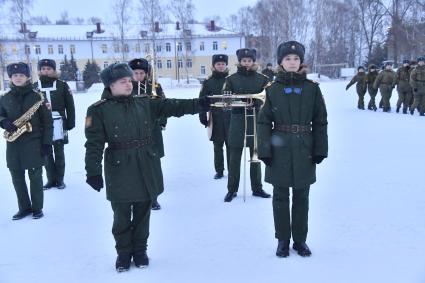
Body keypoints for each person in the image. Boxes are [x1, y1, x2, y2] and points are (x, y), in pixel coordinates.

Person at [85, 62, 209, 272]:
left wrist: (199, 104)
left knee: (143, 211)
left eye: (129, 80)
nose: (129, 84)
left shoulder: (144, 103)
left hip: (145, 163)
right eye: (123, 81)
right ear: (110, 86)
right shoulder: (98, 110)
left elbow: (173, 106)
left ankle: (140, 251)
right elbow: (94, 143)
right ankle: (123, 253)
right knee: (121, 214)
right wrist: (93, 171)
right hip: (119, 165)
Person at [257, 41, 328, 258]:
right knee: (280, 196)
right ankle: (282, 240)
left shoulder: (312, 89)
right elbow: (263, 122)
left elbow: (321, 121)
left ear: (301, 62)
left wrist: (320, 149)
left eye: (296, 59)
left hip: (304, 148)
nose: (292, 62)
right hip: (279, 149)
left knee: (301, 196)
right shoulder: (271, 90)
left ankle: (300, 240)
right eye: (287, 58)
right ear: (280, 62)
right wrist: (265, 151)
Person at [0, 62, 53, 220]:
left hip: (34, 143)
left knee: (35, 176)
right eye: (15, 75)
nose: (18, 78)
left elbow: (47, 123)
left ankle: (37, 208)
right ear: (10, 77)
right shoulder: (5, 97)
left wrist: (46, 143)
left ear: (28, 77)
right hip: (14, 143)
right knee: (16, 176)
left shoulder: (38, 97)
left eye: (21, 75)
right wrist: (4, 122)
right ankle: (24, 207)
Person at [222, 48, 271, 202]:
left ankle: (257, 188)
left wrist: (256, 102)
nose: (247, 63)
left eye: (249, 60)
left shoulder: (262, 78)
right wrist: (236, 101)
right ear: (239, 61)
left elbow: (268, 99)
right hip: (237, 121)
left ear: (253, 61)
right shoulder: (231, 79)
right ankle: (231, 190)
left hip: (256, 120)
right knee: (234, 158)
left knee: (255, 157)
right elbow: (226, 102)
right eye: (244, 61)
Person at [128, 58, 166, 210]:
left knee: (152, 167)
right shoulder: (125, 87)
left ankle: (153, 197)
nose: (138, 76)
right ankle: (134, 198)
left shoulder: (154, 86)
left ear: (146, 73)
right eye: (135, 73)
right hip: (131, 132)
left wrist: (162, 121)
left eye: (141, 73)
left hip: (152, 131)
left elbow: (164, 104)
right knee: (132, 167)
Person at [35, 59, 75, 190]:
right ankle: (50, 179)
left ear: (53, 70)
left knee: (59, 151)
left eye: (49, 69)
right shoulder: (34, 86)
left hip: (59, 123)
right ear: (40, 71)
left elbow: (70, 105)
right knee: (46, 152)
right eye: (43, 69)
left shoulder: (62, 85)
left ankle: (60, 179)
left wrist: (70, 121)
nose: (46, 71)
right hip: (41, 125)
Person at [199, 54, 231, 179]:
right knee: (217, 146)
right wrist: (202, 115)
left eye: (223, 64)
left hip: (230, 117)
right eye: (218, 64)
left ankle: (231, 169)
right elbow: (201, 99)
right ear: (214, 66)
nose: (221, 66)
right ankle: (219, 170)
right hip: (215, 117)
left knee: (230, 145)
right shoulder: (208, 82)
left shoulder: (231, 79)